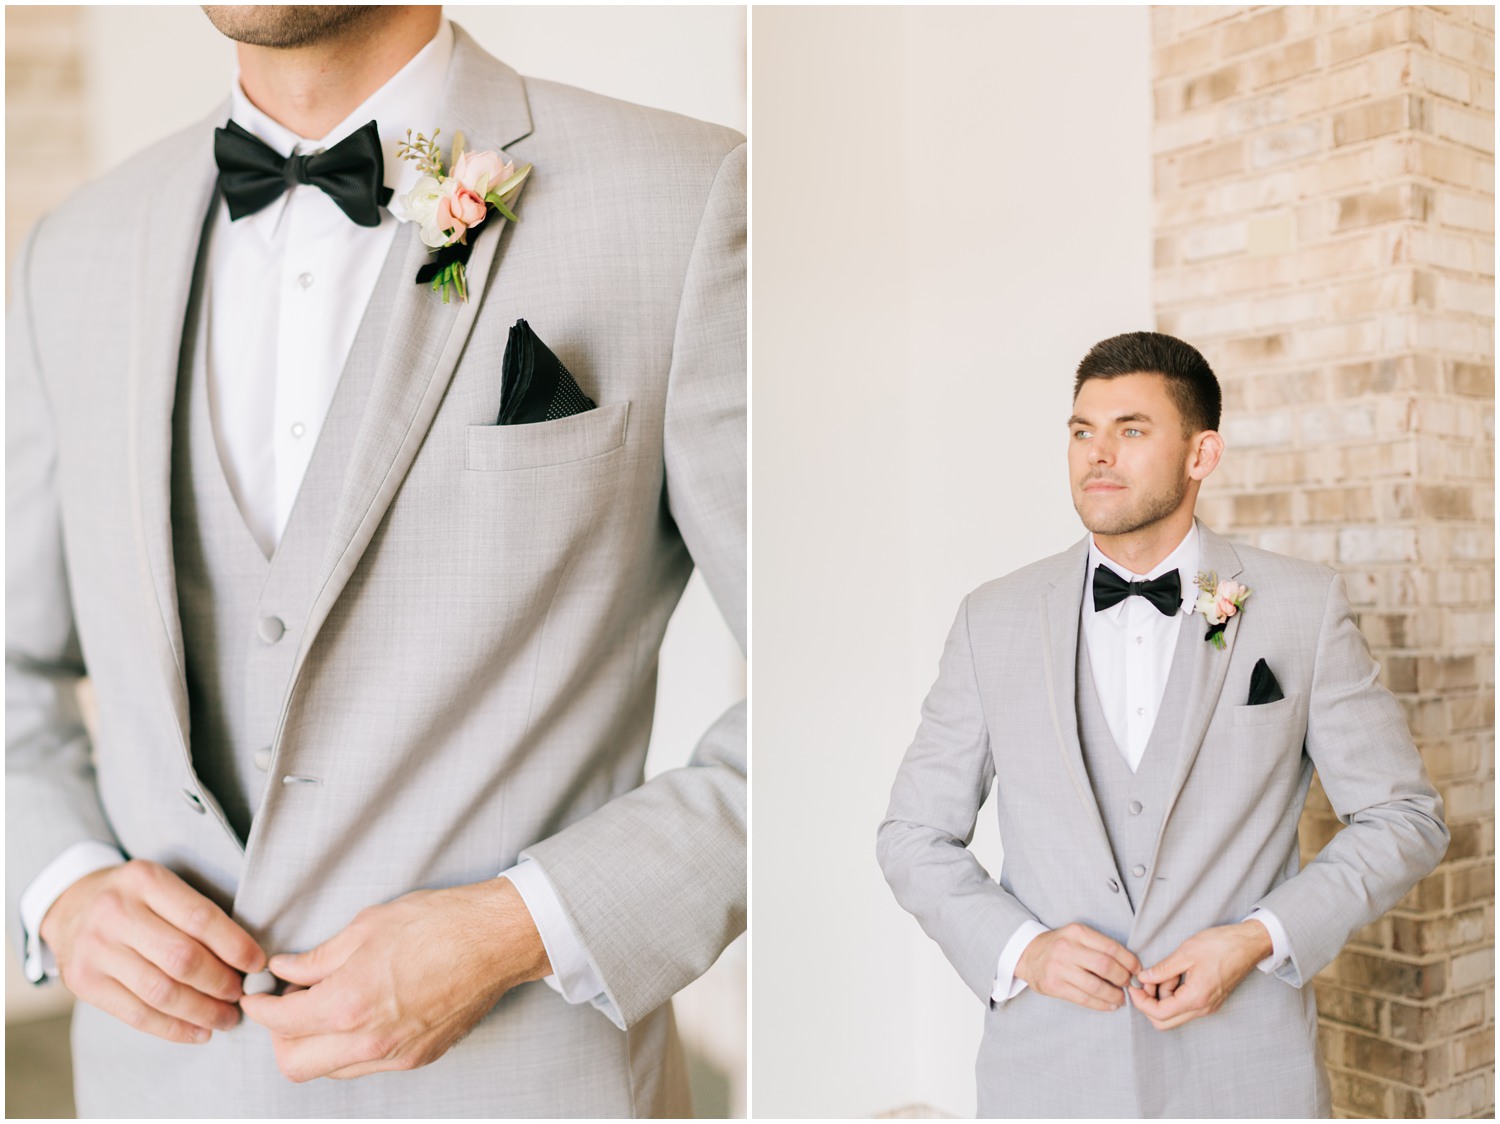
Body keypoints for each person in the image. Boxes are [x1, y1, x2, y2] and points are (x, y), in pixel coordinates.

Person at [6, 6, 744, 1117]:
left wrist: (523, 923)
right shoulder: (74, 252)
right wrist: (59, 885)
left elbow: (848, 695)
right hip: (158, 1088)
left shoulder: (687, 201)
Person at [876, 331, 1447, 1118]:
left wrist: (1256, 938)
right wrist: (1025, 951)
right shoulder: (993, 619)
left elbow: (1405, 818)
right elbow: (912, 833)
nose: (1097, 455)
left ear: (1201, 455)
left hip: (1246, 1069)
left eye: (1131, 430)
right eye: (1083, 431)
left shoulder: (1299, 607)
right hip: (1048, 1070)